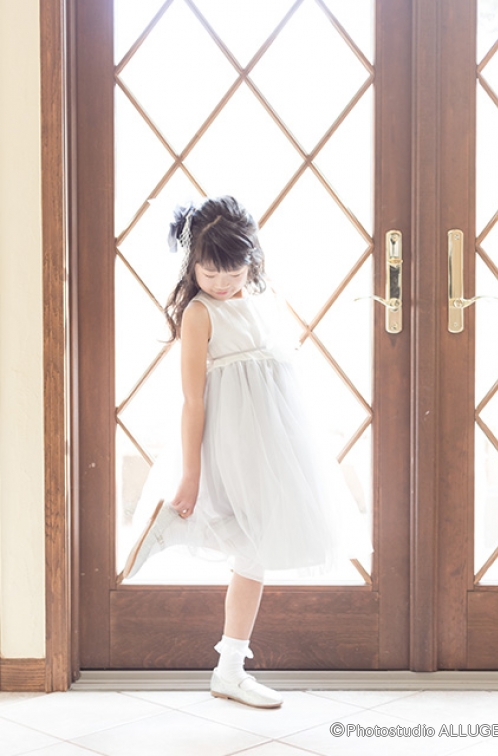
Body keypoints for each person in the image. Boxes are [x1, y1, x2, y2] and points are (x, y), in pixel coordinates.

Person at [118, 195, 371, 709]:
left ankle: (228, 666)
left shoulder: (262, 297)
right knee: (255, 543)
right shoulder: (199, 314)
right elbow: (193, 400)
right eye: (209, 272)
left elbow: (281, 372)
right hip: (231, 440)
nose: (221, 282)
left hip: (274, 440)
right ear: (191, 265)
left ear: (251, 259)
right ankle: (229, 667)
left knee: (259, 545)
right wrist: (190, 474)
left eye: (232, 271)